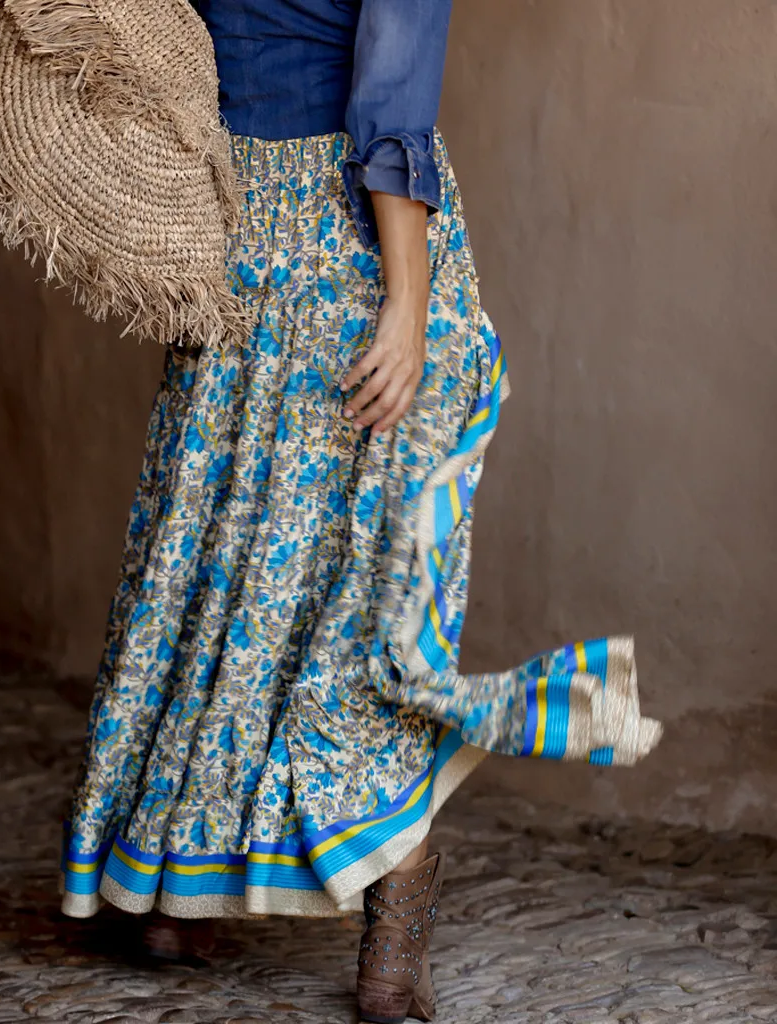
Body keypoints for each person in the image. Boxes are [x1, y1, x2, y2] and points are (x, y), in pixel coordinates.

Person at [60, 3, 660, 1022]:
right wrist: (409, 299)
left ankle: (183, 894)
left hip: (236, 229)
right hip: (343, 241)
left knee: (222, 551)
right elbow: (388, 90)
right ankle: (376, 909)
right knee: (359, 583)